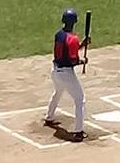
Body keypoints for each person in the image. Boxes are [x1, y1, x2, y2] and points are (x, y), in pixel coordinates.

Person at [44, 8, 90, 142]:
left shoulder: (58, 34)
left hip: (55, 71)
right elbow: (72, 60)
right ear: (74, 22)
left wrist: (81, 45)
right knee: (80, 99)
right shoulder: (73, 38)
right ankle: (79, 131)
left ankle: (49, 117)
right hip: (66, 74)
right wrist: (82, 61)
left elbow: (66, 51)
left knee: (58, 92)